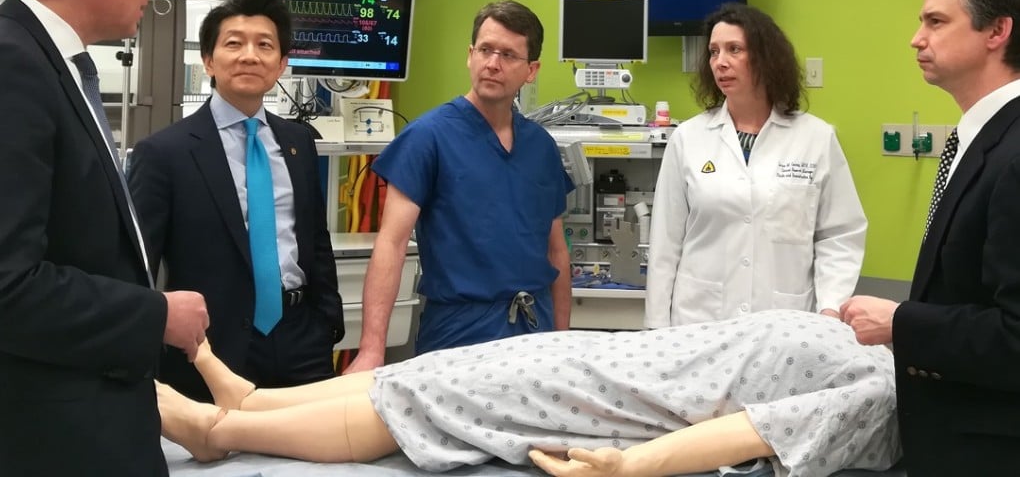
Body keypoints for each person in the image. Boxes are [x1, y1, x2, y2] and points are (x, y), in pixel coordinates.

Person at [0, 0, 209, 474]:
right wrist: (155, 315)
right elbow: (8, 286)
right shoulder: (14, 68)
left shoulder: (52, 63)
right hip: (51, 434)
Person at [159, 309, 900, 477]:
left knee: (443, 400)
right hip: (612, 355)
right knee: (442, 369)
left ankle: (220, 432)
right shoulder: (888, 344)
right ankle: (253, 400)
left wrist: (629, 467)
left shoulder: (886, 393)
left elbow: (758, 431)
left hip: (618, 397)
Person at [841, 0, 1020, 476]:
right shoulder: (977, 140)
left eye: (936, 22)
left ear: (997, 31)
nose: (916, 39)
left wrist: (900, 322)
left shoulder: (1015, 153)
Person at [128, 0, 344, 402]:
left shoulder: (298, 142)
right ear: (208, 60)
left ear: (281, 64)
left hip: (302, 339)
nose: (249, 56)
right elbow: (140, 264)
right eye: (233, 43)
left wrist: (327, 321)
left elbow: (315, 240)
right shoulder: (164, 153)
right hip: (209, 346)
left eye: (265, 45)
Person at [344, 0, 573, 373]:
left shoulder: (541, 147)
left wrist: (562, 341)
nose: (493, 63)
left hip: (535, 331)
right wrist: (372, 349)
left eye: (508, 55)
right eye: (485, 50)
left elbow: (556, 251)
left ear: (531, 70)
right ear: (470, 55)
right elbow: (392, 243)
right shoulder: (428, 137)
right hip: (458, 333)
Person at [645, 3, 866, 327]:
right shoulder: (688, 138)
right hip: (700, 320)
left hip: (785, 321)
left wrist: (830, 309)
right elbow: (665, 244)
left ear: (765, 57)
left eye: (734, 49)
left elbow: (839, 235)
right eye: (714, 52)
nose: (720, 62)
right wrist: (657, 329)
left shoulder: (816, 138)